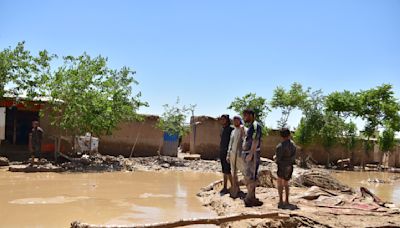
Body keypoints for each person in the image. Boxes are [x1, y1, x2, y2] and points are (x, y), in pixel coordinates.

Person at [242, 109, 263, 207]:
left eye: (245, 115)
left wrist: (251, 154)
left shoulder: (255, 125)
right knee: (248, 176)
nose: (244, 117)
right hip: (248, 154)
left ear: (251, 115)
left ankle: (249, 199)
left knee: (251, 176)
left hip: (253, 155)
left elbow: (255, 140)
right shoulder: (250, 126)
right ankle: (251, 197)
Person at [275, 128, 296, 209]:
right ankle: (287, 200)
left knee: (280, 183)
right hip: (289, 166)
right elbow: (293, 157)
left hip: (282, 166)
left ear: (281, 136)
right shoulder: (293, 145)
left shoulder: (279, 146)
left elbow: (278, 159)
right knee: (286, 183)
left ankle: (280, 200)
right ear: (289, 134)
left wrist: (276, 159)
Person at [227, 115, 246, 198]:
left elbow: (245, 141)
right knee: (233, 172)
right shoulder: (233, 131)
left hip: (240, 154)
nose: (235, 122)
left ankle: (249, 190)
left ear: (240, 121)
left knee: (244, 171)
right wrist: (228, 153)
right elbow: (230, 143)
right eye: (234, 120)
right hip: (232, 154)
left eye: (237, 120)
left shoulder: (244, 129)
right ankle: (236, 188)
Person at [219, 114, 234, 195]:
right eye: (221, 119)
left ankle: (233, 186)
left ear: (227, 120)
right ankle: (225, 187)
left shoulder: (231, 129)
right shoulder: (223, 129)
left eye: (223, 119)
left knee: (228, 170)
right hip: (222, 151)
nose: (222, 121)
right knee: (224, 170)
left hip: (228, 152)